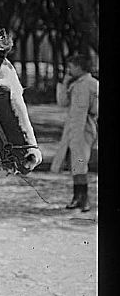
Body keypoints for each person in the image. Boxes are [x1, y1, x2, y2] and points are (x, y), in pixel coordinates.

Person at [50, 52, 99, 212]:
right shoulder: (74, 84)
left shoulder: (93, 84)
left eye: (71, 67)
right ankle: (76, 197)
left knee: (80, 163)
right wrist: (63, 84)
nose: (69, 70)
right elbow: (62, 103)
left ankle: (84, 199)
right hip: (71, 129)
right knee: (75, 164)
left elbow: (96, 107)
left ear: (79, 67)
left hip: (85, 129)